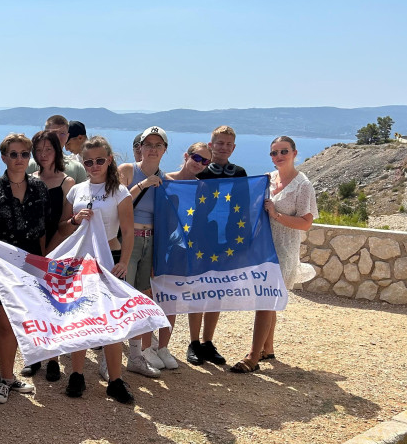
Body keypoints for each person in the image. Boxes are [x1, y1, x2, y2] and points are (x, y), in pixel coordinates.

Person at [231, 136, 318, 373]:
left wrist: (276, 215)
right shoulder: (268, 179)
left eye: (283, 151)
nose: (278, 156)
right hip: (263, 247)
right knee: (267, 300)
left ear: (294, 153)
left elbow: (306, 223)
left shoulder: (303, 185)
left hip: (283, 250)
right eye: (274, 153)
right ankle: (267, 348)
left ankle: (252, 357)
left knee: (264, 300)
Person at [58, 136, 134, 404]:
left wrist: (123, 261)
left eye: (100, 160)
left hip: (109, 258)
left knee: (111, 321)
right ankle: (77, 374)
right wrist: (74, 219)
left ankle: (115, 379)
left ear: (109, 160)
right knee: (80, 317)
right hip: (81, 260)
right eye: (88, 161)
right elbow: (64, 227)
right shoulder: (76, 190)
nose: (94, 166)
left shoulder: (120, 192)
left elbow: (127, 231)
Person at [0, 133, 48, 403]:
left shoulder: (40, 189)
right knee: (5, 325)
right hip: (1, 268)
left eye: (24, 154)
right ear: (4, 157)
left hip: (30, 265)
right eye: (14, 154)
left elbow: (43, 229)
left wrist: (43, 265)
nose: (19, 159)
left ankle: (10, 375)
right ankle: (4, 378)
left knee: (22, 323)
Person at [119, 126, 177, 377]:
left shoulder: (169, 182)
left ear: (165, 150)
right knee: (123, 297)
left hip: (151, 242)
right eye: (148, 144)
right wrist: (143, 185)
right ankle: (109, 357)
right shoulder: (128, 171)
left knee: (142, 298)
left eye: (158, 145)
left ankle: (136, 356)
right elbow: (118, 204)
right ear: (139, 147)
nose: (152, 149)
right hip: (128, 241)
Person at [189, 126, 248, 367]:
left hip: (226, 242)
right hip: (201, 239)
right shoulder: (201, 171)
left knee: (216, 293)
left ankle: (208, 342)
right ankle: (193, 342)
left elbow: (246, 206)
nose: (223, 147)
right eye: (219, 143)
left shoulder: (240, 173)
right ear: (211, 144)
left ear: (233, 148)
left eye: (228, 144)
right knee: (198, 292)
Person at [20, 130, 74, 381]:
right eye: (38, 150)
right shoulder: (29, 179)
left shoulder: (68, 182)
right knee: (33, 304)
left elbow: (66, 222)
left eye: (48, 150)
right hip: (33, 248)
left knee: (55, 304)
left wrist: (50, 253)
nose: (42, 155)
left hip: (58, 249)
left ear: (57, 151)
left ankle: (54, 357)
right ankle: (36, 355)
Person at [26, 115, 87, 183]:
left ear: (67, 136)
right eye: (53, 133)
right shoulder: (30, 165)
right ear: (45, 134)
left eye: (62, 133)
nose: (57, 137)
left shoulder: (77, 168)